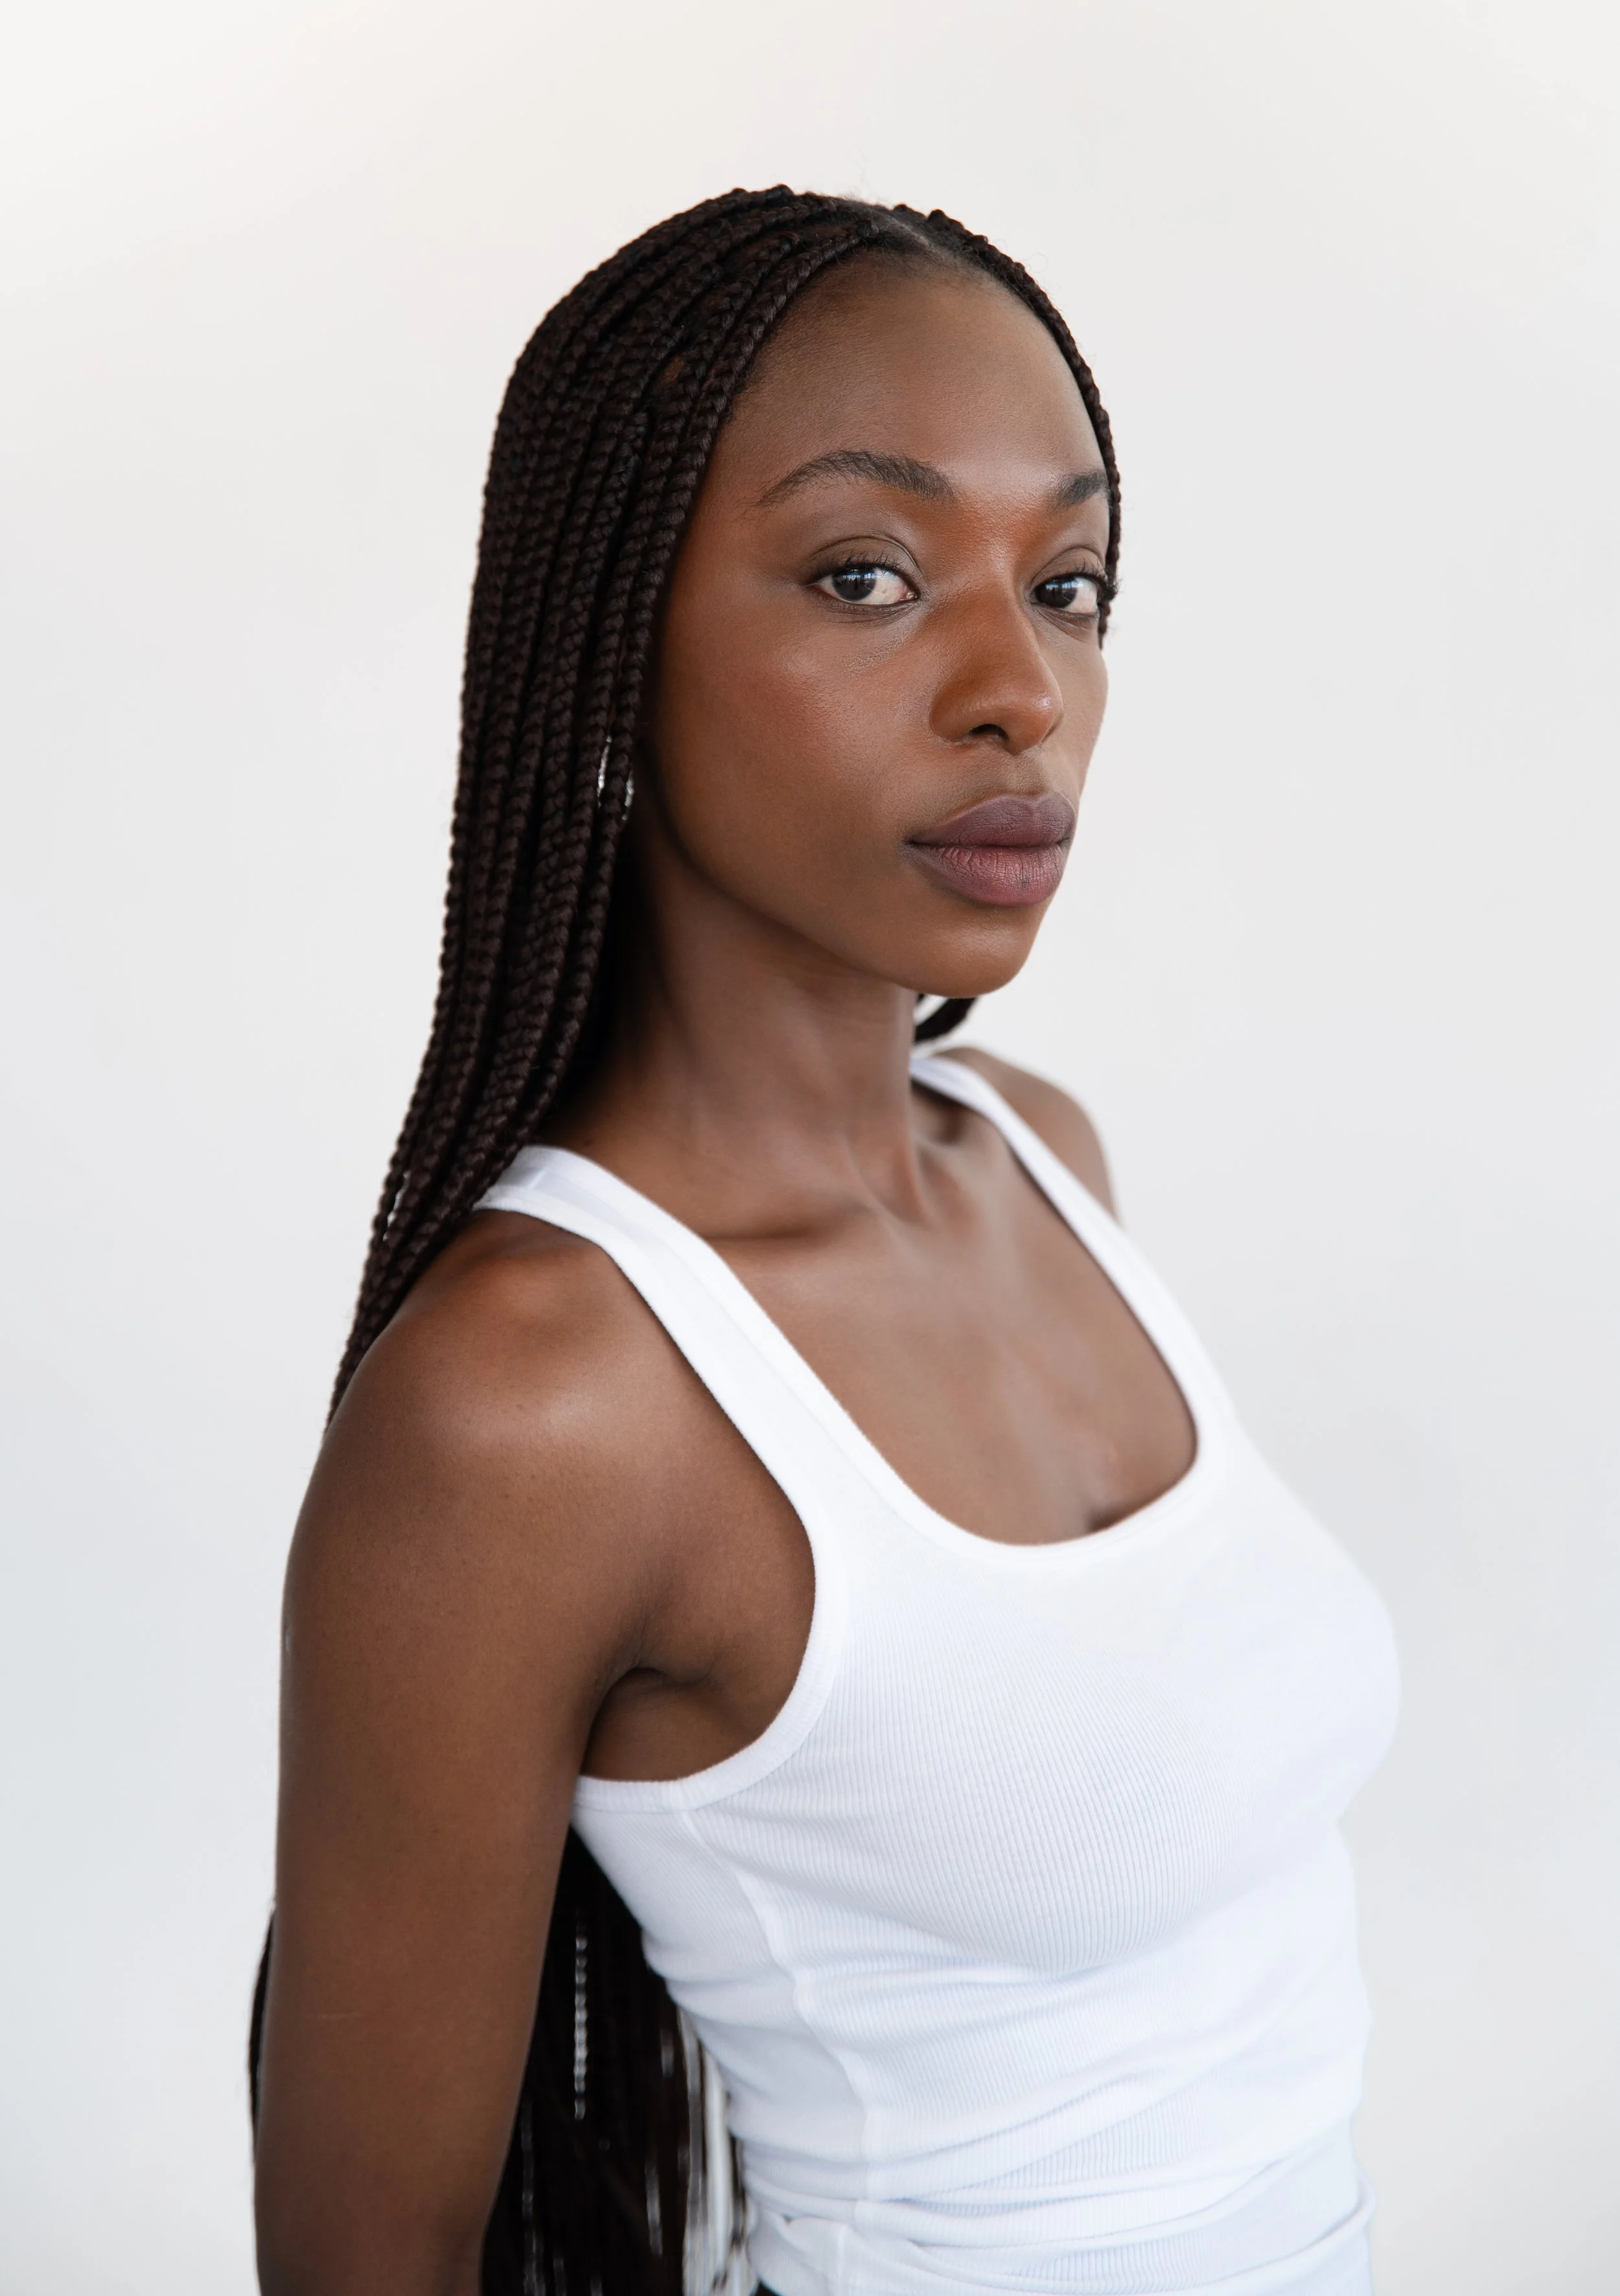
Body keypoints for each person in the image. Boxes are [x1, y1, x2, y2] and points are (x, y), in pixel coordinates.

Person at [249, 188, 1399, 2296]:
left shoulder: (1042, 1157)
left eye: (1068, 582)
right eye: (865, 574)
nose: (1018, 691)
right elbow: (361, 2255)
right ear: (609, 640)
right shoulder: (536, 1396)